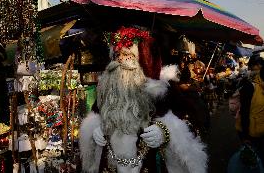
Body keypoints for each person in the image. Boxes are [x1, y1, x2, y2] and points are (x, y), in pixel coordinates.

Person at [79, 27, 207, 173]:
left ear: (143, 58)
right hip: (111, 164)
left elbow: (191, 122)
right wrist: (95, 130)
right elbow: (97, 116)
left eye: (127, 55)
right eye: (117, 55)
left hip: (150, 163)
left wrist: (165, 132)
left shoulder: (163, 91)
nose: (120, 59)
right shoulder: (106, 89)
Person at [236, 56, 264, 164]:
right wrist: (245, 136)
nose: (259, 67)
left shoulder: (260, 84)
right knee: (254, 160)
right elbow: (244, 111)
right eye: (258, 65)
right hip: (251, 132)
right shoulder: (249, 85)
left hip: (259, 130)